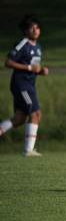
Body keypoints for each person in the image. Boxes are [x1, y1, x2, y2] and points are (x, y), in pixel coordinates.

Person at [0, 14, 49, 156]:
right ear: (25, 31)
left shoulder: (38, 47)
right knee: (35, 114)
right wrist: (29, 69)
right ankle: (28, 150)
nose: (35, 30)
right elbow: (8, 62)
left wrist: (41, 71)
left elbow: (32, 67)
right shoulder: (23, 44)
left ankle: (28, 149)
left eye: (37, 28)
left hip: (29, 84)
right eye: (32, 28)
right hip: (21, 84)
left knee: (19, 119)